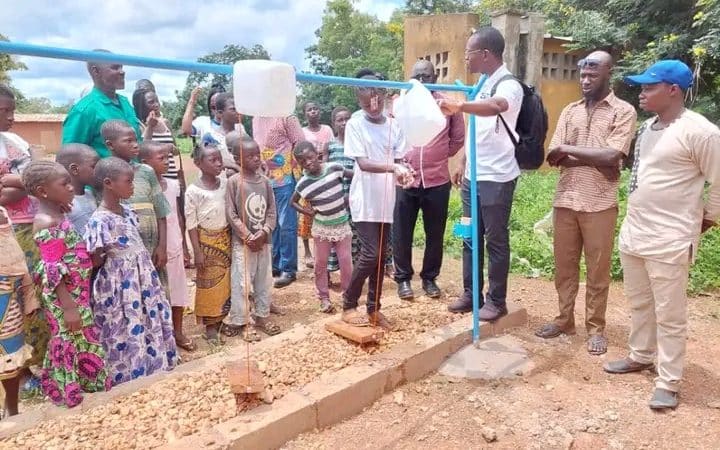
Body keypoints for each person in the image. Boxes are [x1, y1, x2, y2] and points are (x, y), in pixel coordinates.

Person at [603, 60, 720, 410]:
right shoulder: (649, 128)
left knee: (670, 314)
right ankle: (640, 354)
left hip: (670, 238)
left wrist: (705, 220)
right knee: (640, 303)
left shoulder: (701, 132)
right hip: (636, 233)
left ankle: (668, 381)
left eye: (649, 87)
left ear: (673, 90)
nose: (642, 93)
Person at [533, 51, 637, 355]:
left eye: (593, 73)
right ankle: (565, 319)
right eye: (583, 74)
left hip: (600, 203)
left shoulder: (624, 111)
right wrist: (598, 159)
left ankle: (596, 328)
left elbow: (613, 157)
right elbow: (554, 156)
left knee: (597, 270)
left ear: (608, 74)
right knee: (564, 268)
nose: (586, 79)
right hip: (566, 199)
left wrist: (575, 152)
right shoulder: (570, 110)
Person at [438, 27, 522, 321]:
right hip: (473, 178)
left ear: (485, 54)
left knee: (495, 239)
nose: (465, 58)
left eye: (469, 53)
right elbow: (478, 129)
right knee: (467, 234)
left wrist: (460, 105)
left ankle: (496, 301)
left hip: (496, 179)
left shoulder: (508, 85)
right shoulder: (484, 83)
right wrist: (463, 161)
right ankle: (470, 293)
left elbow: (496, 107)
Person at [23, 160, 110, 407]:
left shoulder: (58, 212)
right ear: (43, 191)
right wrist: (68, 305)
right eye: (64, 184)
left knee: (81, 334)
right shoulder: (45, 221)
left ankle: (87, 382)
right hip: (65, 297)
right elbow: (51, 268)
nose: (71, 188)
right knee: (69, 336)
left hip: (75, 291)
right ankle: (67, 391)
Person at [86, 157, 177, 385]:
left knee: (147, 318)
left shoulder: (127, 211)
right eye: (128, 182)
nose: (132, 186)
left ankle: (153, 366)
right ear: (108, 183)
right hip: (121, 285)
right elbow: (95, 260)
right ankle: (129, 375)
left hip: (143, 280)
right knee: (124, 325)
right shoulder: (99, 220)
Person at [341, 68, 411, 329]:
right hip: (365, 198)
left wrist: (405, 171)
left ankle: (374, 308)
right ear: (358, 97)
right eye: (365, 97)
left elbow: (400, 158)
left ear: (384, 94)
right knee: (371, 254)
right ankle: (348, 303)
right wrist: (394, 167)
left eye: (377, 97)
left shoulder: (394, 125)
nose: (372, 103)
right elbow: (363, 163)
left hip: (386, 198)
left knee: (382, 257)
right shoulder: (355, 124)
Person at [394, 60, 465, 301]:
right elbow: (393, 136)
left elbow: (457, 139)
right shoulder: (401, 103)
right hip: (406, 179)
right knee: (402, 232)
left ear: (434, 78)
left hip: (437, 180)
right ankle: (403, 279)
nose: (423, 81)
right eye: (418, 76)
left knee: (435, 233)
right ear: (412, 78)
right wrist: (402, 163)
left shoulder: (445, 104)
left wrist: (438, 157)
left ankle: (429, 278)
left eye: (427, 76)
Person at [0, 84, 48, 379]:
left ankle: (40, 358)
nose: (11, 117)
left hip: (29, 225)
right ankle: (19, 368)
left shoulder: (15, 140)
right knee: (10, 299)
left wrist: (12, 182)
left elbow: (36, 177)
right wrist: (20, 181)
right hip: (6, 231)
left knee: (35, 291)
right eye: (3, 111)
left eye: (12, 110)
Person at [222, 133, 279, 340]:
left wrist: (264, 233)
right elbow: (231, 213)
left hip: (264, 242)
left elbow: (272, 211)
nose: (257, 158)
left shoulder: (265, 182)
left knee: (263, 280)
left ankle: (262, 314)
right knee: (243, 283)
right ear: (238, 160)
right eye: (251, 156)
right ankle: (244, 320)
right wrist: (247, 236)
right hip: (243, 244)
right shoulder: (233, 182)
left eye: (258, 154)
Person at [140, 143, 195, 352]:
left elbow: (178, 216)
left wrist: (185, 247)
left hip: (174, 244)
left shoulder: (172, 185)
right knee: (159, 292)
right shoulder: (139, 188)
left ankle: (178, 332)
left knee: (178, 289)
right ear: (145, 163)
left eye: (168, 158)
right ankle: (161, 338)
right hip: (154, 248)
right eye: (161, 158)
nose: (167, 161)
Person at [292, 141, 354, 313]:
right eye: (303, 161)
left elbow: (355, 176)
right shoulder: (303, 184)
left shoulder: (334, 168)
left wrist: (351, 197)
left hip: (342, 225)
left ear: (317, 154)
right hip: (322, 229)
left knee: (346, 262)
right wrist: (308, 212)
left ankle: (348, 295)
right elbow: (293, 202)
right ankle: (323, 297)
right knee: (320, 264)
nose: (308, 163)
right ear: (299, 164)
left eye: (310, 157)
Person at [102, 120, 169, 276]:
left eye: (136, 140)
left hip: (151, 249)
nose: (135, 145)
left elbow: (161, 213)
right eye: (128, 141)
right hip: (121, 255)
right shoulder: (103, 174)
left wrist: (162, 246)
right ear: (110, 145)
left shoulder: (146, 172)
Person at [185, 143, 231, 342]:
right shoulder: (193, 191)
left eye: (219, 158)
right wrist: (197, 251)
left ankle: (221, 319)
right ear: (198, 163)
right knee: (208, 285)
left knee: (224, 282)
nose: (218, 163)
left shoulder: (225, 183)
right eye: (212, 160)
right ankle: (209, 326)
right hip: (206, 241)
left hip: (225, 238)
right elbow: (191, 224)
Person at [62, 49, 141, 158]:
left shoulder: (125, 103)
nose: (122, 72)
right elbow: (69, 156)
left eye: (121, 67)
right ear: (96, 71)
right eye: (114, 67)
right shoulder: (84, 110)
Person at [0, 205, 38, 416]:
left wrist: (29, 294)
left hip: (11, 295)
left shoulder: (3, 213)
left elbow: (19, 259)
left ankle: (12, 409)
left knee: (11, 352)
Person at [298, 101, 335, 269]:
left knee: (325, 211)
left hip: (324, 173)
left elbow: (329, 151)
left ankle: (326, 251)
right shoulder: (302, 132)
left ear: (320, 111)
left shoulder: (327, 130)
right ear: (305, 113)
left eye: (315, 108)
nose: (313, 111)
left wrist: (323, 169)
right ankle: (306, 251)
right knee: (307, 214)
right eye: (309, 109)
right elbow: (299, 154)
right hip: (307, 174)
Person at [326, 106, 359, 270]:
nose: (344, 123)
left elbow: (361, 171)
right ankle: (329, 272)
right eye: (340, 120)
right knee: (333, 234)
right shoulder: (330, 146)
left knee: (352, 235)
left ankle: (351, 273)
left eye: (348, 119)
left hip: (354, 197)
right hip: (334, 200)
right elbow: (324, 173)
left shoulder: (358, 146)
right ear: (334, 124)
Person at [133, 87, 181, 181]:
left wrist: (171, 147)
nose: (156, 105)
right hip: (153, 180)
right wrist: (150, 127)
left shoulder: (165, 123)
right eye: (151, 102)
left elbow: (176, 152)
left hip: (171, 178)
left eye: (157, 101)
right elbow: (141, 152)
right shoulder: (138, 126)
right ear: (142, 105)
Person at [55, 144, 100, 234]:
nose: (99, 171)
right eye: (94, 167)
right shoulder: (63, 204)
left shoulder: (90, 194)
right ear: (75, 169)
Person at [200, 92, 242, 172]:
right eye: (233, 109)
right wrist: (234, 166)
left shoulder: (242, 132)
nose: (238, 112)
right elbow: (205, 164)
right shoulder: (210, 137)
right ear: (220, 113)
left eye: (239, 108)